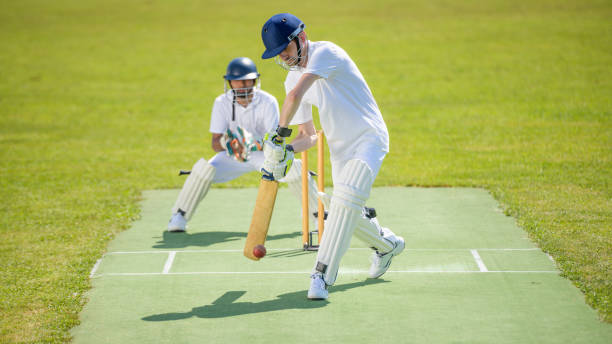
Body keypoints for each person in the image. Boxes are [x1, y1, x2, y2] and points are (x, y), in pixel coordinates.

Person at [260, 13, 405, 300]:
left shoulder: (326, 53)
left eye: (286, 50)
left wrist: (277, 136)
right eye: (278, 55)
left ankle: (321, 275)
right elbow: (308, 137)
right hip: (340, 149)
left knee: (345, 201)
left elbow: (296, 97)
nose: (285, 58)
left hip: (369, 138)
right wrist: (285, 151)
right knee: (342, 207)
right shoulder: (290, 80)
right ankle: (387, 245)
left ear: (300, 38)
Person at [167, 57, 322, 232]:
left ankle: (320, 215)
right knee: (203, 169)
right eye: (237, 81)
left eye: (247, 80)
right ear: (230, 82)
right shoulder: (221, 102)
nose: (242, 85)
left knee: (294, 167)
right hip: (233, 155)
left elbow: (274, 141)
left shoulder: (268, 101)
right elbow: (215, 142)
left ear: (255, 80)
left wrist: (253, 143)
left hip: (263, 155)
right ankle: (179, 215)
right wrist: (229, 144)